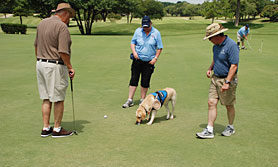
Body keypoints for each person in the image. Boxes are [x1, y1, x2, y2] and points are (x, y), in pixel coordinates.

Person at [34, 3, 75, 138]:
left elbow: (36, 46)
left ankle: (46, 128)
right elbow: (63, 51)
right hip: (54, 66)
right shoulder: (61, 27)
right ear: (65, 13)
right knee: (58, 98)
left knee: (46, 98)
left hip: (40, 63)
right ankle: (57, 129)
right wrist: (70, 67)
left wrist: (40, 60)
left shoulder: (42, 23)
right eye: (70, 16)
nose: (69, 19)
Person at [196, 23, 239, 139]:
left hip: (227, 79)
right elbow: (216, 59)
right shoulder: (215, 46)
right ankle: (209, 130)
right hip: (215, 78)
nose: (209, 40)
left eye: (210, 38)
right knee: (211, 102)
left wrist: (227, 82)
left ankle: (230, 127)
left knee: (229, 105)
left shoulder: (231, 45)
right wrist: (210, 68)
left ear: (217, 35)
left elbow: (234, 65)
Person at [122, 16, 163, 108]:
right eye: (144, 26)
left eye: (147, 26)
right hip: (137, 60)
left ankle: (142, 100)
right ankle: (130, 100)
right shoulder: (138, 31)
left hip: (149, 62)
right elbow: (133, 42)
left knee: (145, 81)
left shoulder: (156, 33)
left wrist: (155, 58)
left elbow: (159, 47)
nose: (145, 28)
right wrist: (134, 52)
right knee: (133, 79)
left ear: (151, 23)